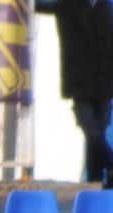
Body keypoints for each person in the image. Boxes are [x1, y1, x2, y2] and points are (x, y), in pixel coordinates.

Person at [37, 1, 113, 188]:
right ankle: (110, 166)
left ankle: (97, 182)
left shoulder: (106, 7)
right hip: (79, 82)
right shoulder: (68, 5)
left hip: (105, 83)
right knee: (91, 132)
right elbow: (40, 5)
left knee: (97, 135)